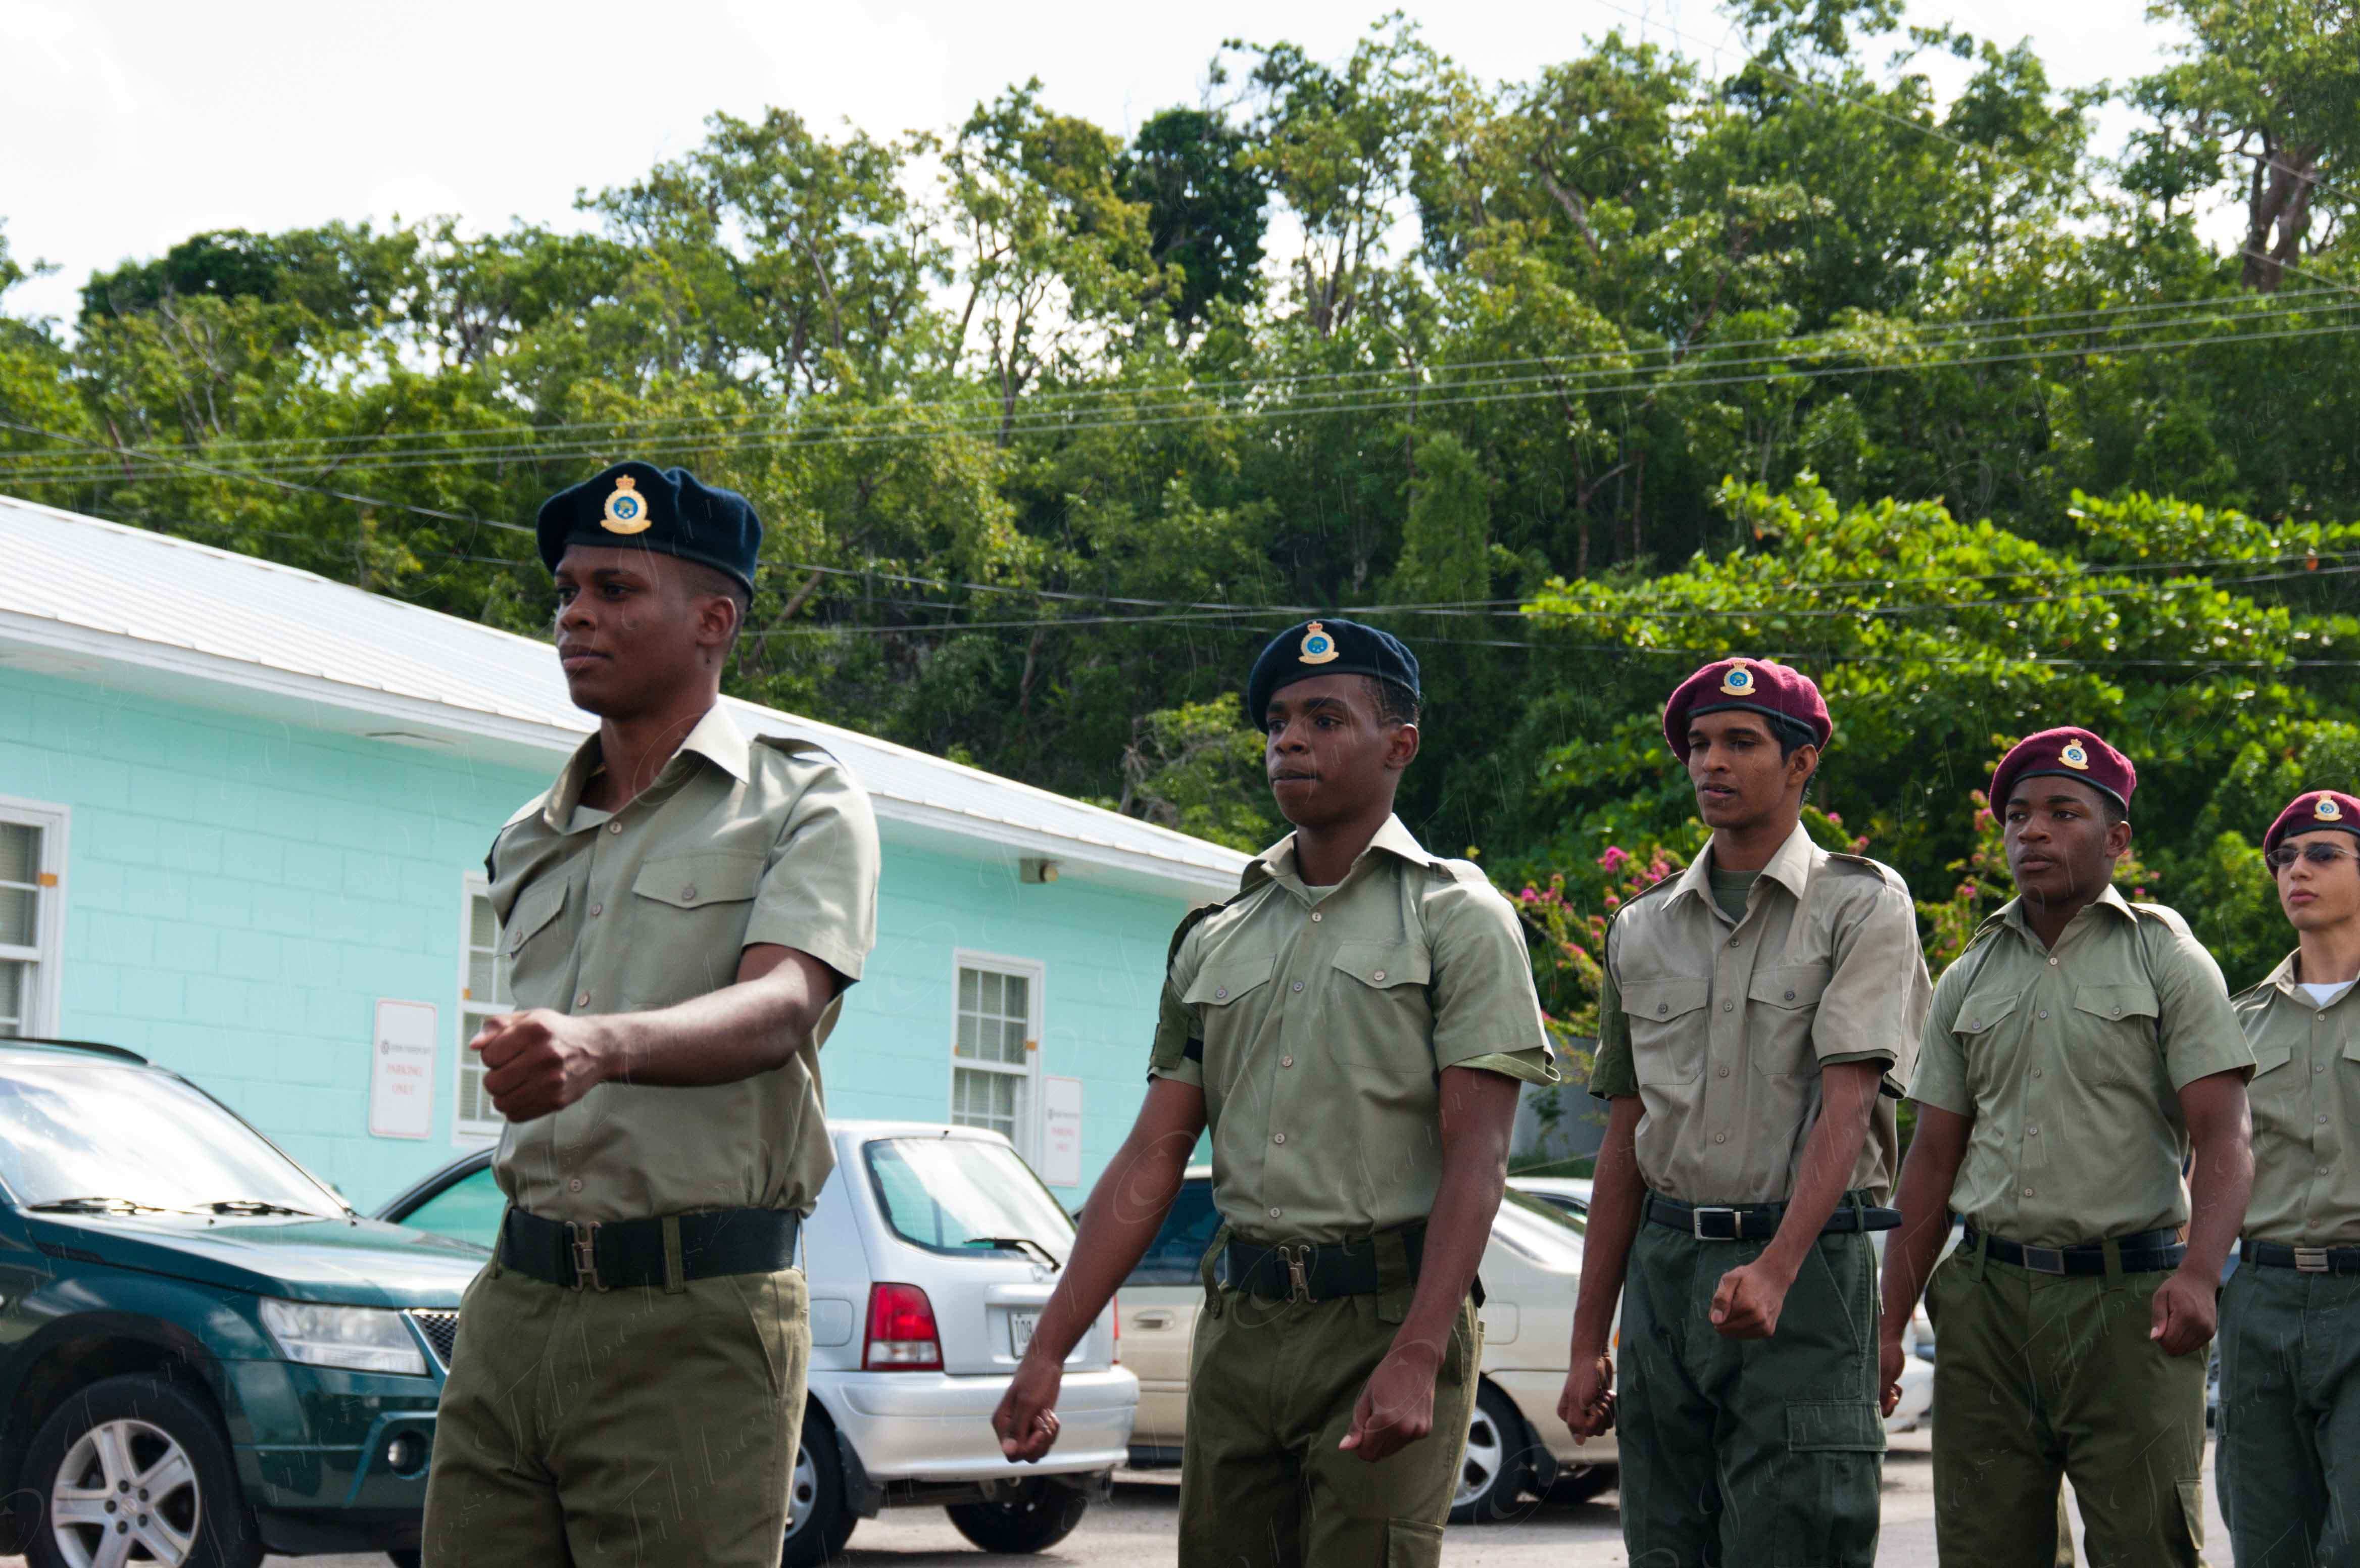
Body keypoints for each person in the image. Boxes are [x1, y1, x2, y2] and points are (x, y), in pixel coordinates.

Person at [988, 617, 1555, 1568]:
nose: (1290, 740)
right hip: (1240, 1325)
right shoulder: (1216, 932)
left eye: (1326, 719)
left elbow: (1479, 1158)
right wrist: (1049, 1347)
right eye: (1279, 721)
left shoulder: (1458, 918)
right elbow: (1154, 1156)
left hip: (1385, 1319)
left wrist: (1420, 1351)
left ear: (1400, 746)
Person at [420, 461, 880, 1566]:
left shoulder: (803, 800)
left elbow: (782, 1004)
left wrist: (600, 1045)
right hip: (515, 1304)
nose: (575, 615)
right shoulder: (530, 835)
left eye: (615, 589)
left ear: (714, 620)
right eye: (567, 591)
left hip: (695, 1315)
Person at [1558, 656, 1929, 1567]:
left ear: (1801, 764)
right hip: (1666, 1271)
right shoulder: (1642, 926)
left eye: (1740, 742)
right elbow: (1625, 1136)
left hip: (1807, 1271)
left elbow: (1849, 1103)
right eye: (1698, 744)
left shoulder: (1860, 904)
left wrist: (1777, 1266)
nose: (1711, 763)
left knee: (1797, 1535)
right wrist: (1587, 1342)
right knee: (1665, 1542)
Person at [1877, 726, 2253, 1568]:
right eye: (2018, 816)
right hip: (1987, 1305)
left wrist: (2200, 1275)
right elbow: (1931, 1161)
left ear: (2117, 839)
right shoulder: (1971, 973)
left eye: (2062, 813)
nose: (2033, 832)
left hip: (2130, 1306)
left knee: (2148, 1549)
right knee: (1985, 1552)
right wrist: (1890, 1323)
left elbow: (2226, 1134)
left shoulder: (2166, 957)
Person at [2216, 788, 2360, 1566]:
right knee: (2267, 1540)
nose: (2297, 870)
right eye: (2286, 858)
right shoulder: (2239, 1023)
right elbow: (2205, 1166)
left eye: (2324, 854)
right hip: (2261, 1299)